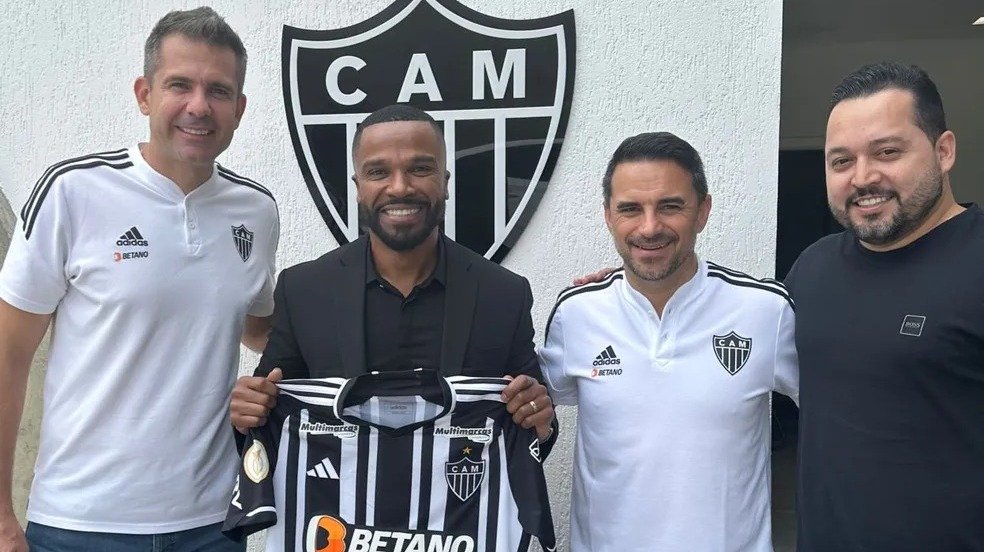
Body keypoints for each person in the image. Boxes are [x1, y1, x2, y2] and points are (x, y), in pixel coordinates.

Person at [0, 8, 276, 551]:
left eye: (219, 91)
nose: (199, 106)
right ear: (144, 94)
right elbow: (7, 356)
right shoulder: (72, 192)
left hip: (213, 524)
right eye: (180, 85)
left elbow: (256, 326)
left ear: (239, 110)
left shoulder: (257, 210)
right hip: (79, 525)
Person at [228, 102, 555, 482]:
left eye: (420, 168)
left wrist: (540, 421)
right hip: (339, 526)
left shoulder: (504, 295)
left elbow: (534, 432)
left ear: (445, 181)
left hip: (454, 527)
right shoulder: (304, 291)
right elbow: (268, 421)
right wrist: (247, 412)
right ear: (358, 187)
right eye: (378, 172)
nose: (400, 187)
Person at [541, 132, 798, 552]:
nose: (649, 227)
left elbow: (837, 422)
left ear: (703, 211)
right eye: (630, 209)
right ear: (608, 215)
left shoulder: (765, 311)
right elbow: (533, 411)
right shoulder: (576, 314)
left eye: (670, 206)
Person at [786, 62, 984, 551]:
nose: (863, 177)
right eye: (840, 161)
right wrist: (635, 287)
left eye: (887, 152)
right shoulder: (812, 270)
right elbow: (727, 335)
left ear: (944, 151)